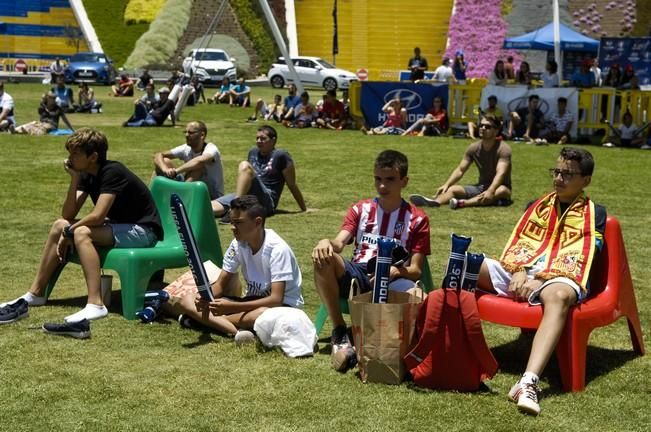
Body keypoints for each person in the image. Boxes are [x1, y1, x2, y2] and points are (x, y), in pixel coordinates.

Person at [477, 147, 606, 416]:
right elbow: (522, 246)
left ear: (586, 180)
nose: (559, 178)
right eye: (557, 172)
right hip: (523, 272)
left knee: (558, 295)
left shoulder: (596, 214)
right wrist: (520, 271)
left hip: (564, 276)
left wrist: (540, 280)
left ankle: (528, 382)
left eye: (568, 174)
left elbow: (581, 258)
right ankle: (455, 354)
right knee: (465, 264)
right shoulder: (536, 205)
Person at [1, 128, 162, 323]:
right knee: (59, 225)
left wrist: (71, 231)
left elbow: (97, 216)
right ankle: (35, 294)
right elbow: (68, 214)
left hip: (144, 232)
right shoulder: (86, 173)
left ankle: (96, 304)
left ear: (93, 156)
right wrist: (75, 179)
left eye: (75, 153)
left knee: (81, 233)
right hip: (120, 227)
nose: (69, 158)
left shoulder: (112, 172)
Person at [312, 150, 431, 372]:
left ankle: (404, 350)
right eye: (378, 179)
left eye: (390, 180)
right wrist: (324, 242)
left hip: (394, 277)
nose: (382, 186)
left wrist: (397, 272)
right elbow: (339, 243)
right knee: (323, 259)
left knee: (422, 299)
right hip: (359, 273)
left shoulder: (417, 219)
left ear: (404, 181)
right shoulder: (361, 209)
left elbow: (415, 270)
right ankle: (340, 331)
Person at [169, 195, 303, 337]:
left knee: (260, 314)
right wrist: (203, 299)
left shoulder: (277, 249)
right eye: (232, 222)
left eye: (238, 222)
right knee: (187, 300)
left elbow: (276, 299)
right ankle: (236, 330)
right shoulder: (238, 244)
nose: (233, 228)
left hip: (282, 308)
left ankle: (205, 322)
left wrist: (232, 307)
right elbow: (220, 285)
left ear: (257, 222)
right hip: (250, 302)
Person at [410, 113, 512, 209]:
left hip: (500, 187)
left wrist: (491, 190)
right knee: (453, 189)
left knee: (502, 191)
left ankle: (463, 203)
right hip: (482, 187)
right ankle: (435, 202)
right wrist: (447, 184)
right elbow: (460, 170)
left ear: (496, 131)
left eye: (488, 127)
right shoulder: (474, 148)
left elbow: (501, 173)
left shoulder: (503, 149)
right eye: (481, 125)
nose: (483, 128)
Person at [213, 125, 307, 218]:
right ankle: (234, 207)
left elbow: (292, 184)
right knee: (209, 207)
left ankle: (236, 209)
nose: (258, 141)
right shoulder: (252, 152)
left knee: (244, 165)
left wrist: (303, 208)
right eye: (257, 138)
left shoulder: (281, 156)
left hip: (267, 201)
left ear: (273, 140)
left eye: (263, 138)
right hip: (247, 196)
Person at [153, 121, 225, 214]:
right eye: (185, 132)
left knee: (198, 169)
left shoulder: (211, 149)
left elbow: (199, 161)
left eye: (190, 133)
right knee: (164, 161)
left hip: (212, 195)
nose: (186, 135)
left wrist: (177, 171)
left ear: (202, 135)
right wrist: (165, 169)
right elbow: (158, 155)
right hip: (190, 186)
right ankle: (154, 198)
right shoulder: (186, 148)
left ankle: (180, 198)